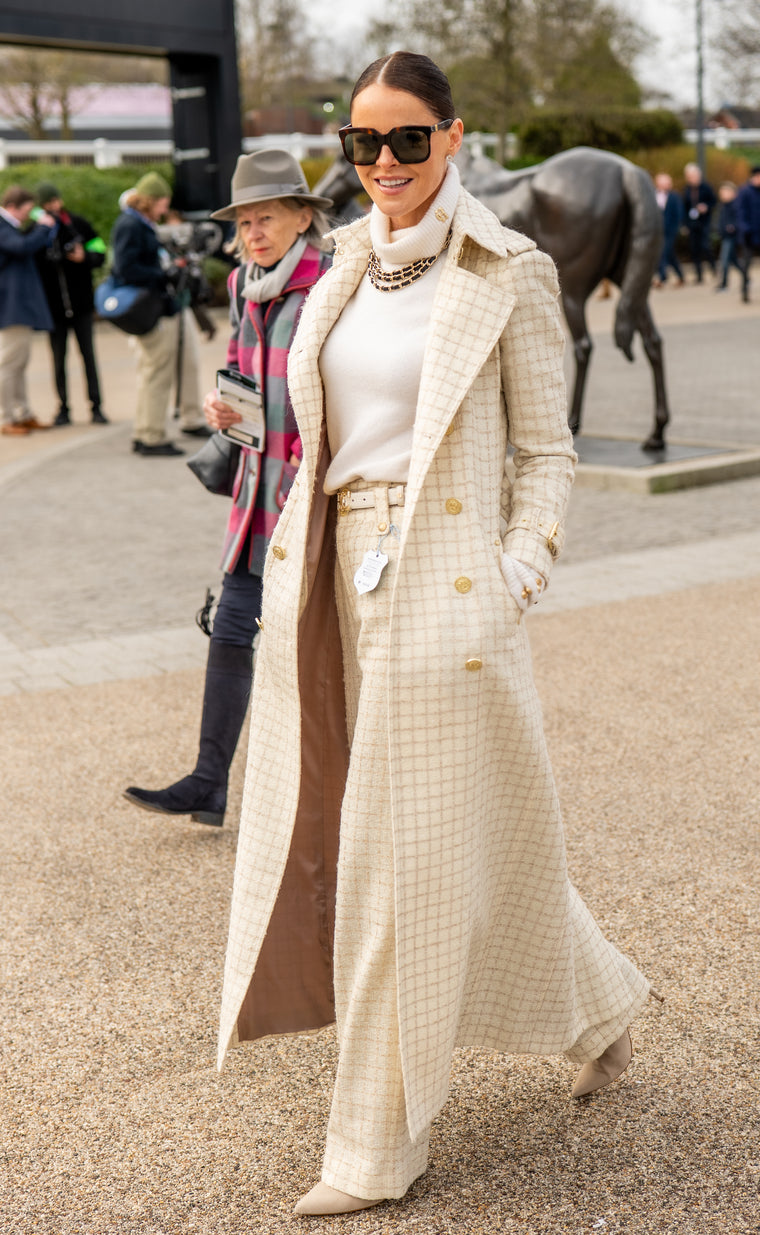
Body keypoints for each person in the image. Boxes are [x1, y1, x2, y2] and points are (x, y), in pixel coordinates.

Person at [216, 52, 657, 1217]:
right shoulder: (340, 267)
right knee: (482, 837)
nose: (384, 163)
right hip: (333, 576)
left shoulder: (507, 269)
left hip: (447, 581)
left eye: (407, 139)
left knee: (388, 854)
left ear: (451, 138)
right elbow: (319, 431)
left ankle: (376, 1142)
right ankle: (602, 1005)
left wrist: (516, 571)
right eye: (362, 143)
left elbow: (546, 450)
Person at [123, 150, 332, 825]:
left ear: (302, 217)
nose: (253, 232)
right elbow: (240, 370)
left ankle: (322, 804)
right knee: (232, 631)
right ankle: (208, 783)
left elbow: (341, 389)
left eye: (266, 217)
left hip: (308, 496)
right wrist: (224, 407)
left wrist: (303, 460)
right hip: (253, 494)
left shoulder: (331, 285)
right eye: (244, 222)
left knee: (313, 652)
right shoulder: (246, 283)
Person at [109, 172, 207, 455]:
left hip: (156, 306)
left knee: (153, 372)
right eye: (163, 202)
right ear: (150, 201)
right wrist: (165, 272)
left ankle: (145, 433)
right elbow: (125, 269)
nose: (165, 208)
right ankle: (152, 437)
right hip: (151, 308)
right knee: (156, 374)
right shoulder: (131, 224)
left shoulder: (137, 222)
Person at [34, 181, 108, 427]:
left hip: (81, 306)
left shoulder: (78, 225)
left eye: (55, 201)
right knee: (58, 360)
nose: (53, 207)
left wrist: (85, 257)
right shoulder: (37, 231)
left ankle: (96, 407)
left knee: (88, 357)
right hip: (54, 310)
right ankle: (63, 408)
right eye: (47, 204)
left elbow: (100, 252)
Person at [0, 185, 57, 436]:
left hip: (18, 308)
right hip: (10, 308)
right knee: (8, 364)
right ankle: (6, 417)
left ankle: (22, 413)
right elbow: (21, 247)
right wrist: (43, 228)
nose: (28, 214)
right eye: (27, 210)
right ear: (12, 206)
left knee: (19, 364)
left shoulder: (9, 227)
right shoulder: (2, 226)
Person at [682, 162, 716, 283]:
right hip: (692, 223)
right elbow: (685, 207)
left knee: (705, 246)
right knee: (694, 249)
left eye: (694, 175)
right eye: (690, 176)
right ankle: (699, 275)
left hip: (704, 221)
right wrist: (685, 224)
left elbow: (713, 201)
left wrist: (706, 207)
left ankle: (713, 268)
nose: (692, 178)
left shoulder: (706, 187)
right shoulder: (687, 189)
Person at [715, 181, 748, 300]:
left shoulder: (736, 205)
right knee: (734, 261)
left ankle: (724, 284)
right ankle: (746, 277)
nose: (722, 195)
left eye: (725, 192)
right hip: (725, 236)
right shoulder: (723, 206)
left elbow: (739, 220)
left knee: (724, 261)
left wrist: (732, 227)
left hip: (731, 237)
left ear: (733, 193)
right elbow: (720, 220)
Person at [652, 171, 684, 287]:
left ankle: (662, 278)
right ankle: (681, 275)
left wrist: (677, 228)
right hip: (657, 230)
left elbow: (679, 214)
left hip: (670, 230)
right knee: (669, 254)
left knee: (663, 252)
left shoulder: (674, 197)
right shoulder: (652, 195)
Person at [736, 164, 760, 302]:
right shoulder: (745, 191)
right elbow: (740, 212)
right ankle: (745, 290)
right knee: (746, 265)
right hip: (748, 235)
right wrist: (745, 228)